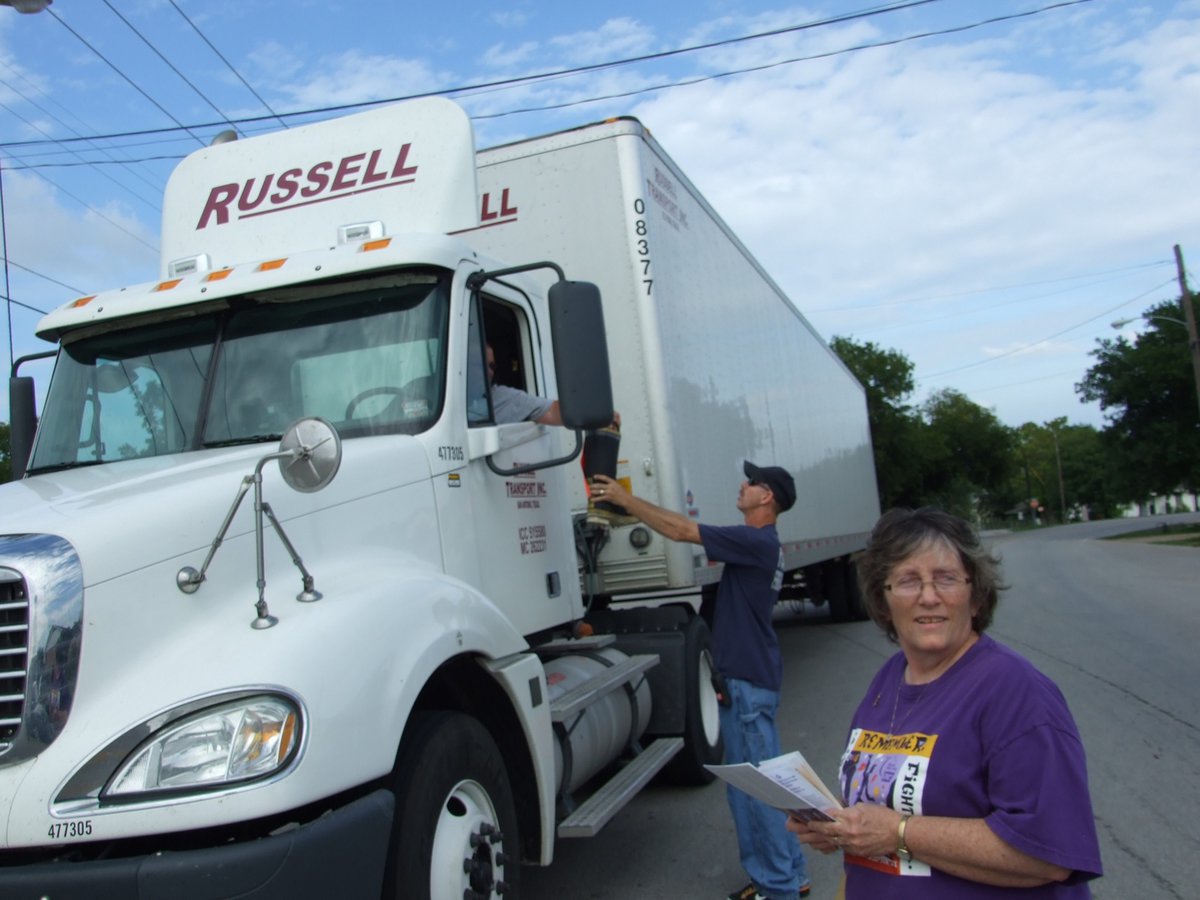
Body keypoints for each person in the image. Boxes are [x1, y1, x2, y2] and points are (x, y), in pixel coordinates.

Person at [788, 507, 1103, 898]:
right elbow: (882, 813)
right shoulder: (889, 678)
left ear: (975, 597)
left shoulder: (1016, 691)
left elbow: (1050, 853)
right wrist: (842, 827)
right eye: (907, 581)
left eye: (947, 579)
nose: (929, 597)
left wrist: (895, 831)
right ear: (883, 601)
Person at [593, 462, 811, 900]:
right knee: (767, 784)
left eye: (751, 482)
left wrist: (625, 499)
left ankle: (778, 888)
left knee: (754, 795)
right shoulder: (759, 543)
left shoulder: (754, 541)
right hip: (747, 680)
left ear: (766, 498)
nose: (742, 485)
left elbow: (679, 531)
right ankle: (790, 875)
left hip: (749, 685)